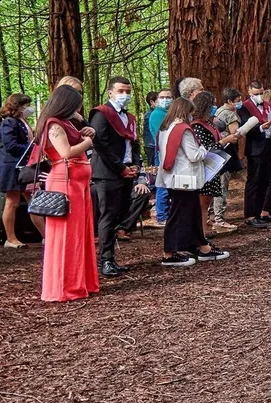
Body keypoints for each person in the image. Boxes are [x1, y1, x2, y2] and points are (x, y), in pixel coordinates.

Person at [34, 85, 99, 301]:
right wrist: (89, 142)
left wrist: (84, 132)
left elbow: (72, 141)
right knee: (67, 235)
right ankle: (64, 286)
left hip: (78, 183)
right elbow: (65, 152)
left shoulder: (66, 123)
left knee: (80, 233)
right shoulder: (53, 124)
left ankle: (81, 281)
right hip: (65, 182)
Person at [155, 97, 229, 266]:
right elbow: (194, 155)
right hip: (184, 177)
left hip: (172, 176)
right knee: (179, 214)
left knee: (193, 212)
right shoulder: (184, 130)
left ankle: (202, 247)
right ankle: (169, 253)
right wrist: (205, 147)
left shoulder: (165, 127)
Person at [87, 76, 146, 277]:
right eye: (121, 91)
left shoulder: (129, 118)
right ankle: (106, 260)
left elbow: (134, 144)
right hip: (107, 172)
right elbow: (100, 144)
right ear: (110, 92)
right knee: (108, 215)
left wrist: (136, 165)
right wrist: (120, 167)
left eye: (128, 91)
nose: (125, 95)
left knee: (121, 213)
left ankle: (111, 258)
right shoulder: (101, 114)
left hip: (127, 171)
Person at [0, 93, 44, 248]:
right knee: (13, 202)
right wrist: (32, 148)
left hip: (25, 167)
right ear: (17, 106)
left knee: (34, 201)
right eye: (25, 105)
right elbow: (11, 146)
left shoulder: (21, 121)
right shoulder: (9, 123)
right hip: (13, 167)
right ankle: (10, 239)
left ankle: (46, 235)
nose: (28, 108)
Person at [237, 81, 271, 228]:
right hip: (255, 147)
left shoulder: (267, 104)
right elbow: (244, 127)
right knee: (254, 181)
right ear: (250, 92)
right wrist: (260, 128)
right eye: (256, 93)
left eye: (260, 93)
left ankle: (266, 211)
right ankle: (251, 215)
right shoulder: (245, 107)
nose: (259, 96)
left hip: (270, 145)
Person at [190, 91, 236, 237]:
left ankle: (202, 235)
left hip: (214, 166)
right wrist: (225, 141)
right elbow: (205, 149)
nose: (215, 107)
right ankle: (200, 237)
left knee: (206, 204)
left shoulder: (209, 122)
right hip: (205, 169)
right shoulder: (197, 126)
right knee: (202, 206)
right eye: (212, 104)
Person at [210, 88, 244, 232]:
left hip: (213, 152)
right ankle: (219, 219)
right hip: (224, 152)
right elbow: (234, 136)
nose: (240, 103)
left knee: (213, 184)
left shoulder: (216, 112)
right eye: (238, 101)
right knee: (221, 185)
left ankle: (211, 215)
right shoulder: (230, 115)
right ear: (230, 101)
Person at [146, 87, 173, 228]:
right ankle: (161, 215)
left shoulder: (169, 113)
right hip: (161, 151)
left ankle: (166, 213)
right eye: (162, 97)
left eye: (168, 97)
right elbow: (162, 134)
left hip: (170, 151)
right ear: (156, 100)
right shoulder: (157, 114)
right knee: (163, 183)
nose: (165, 100)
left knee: (169, 183)